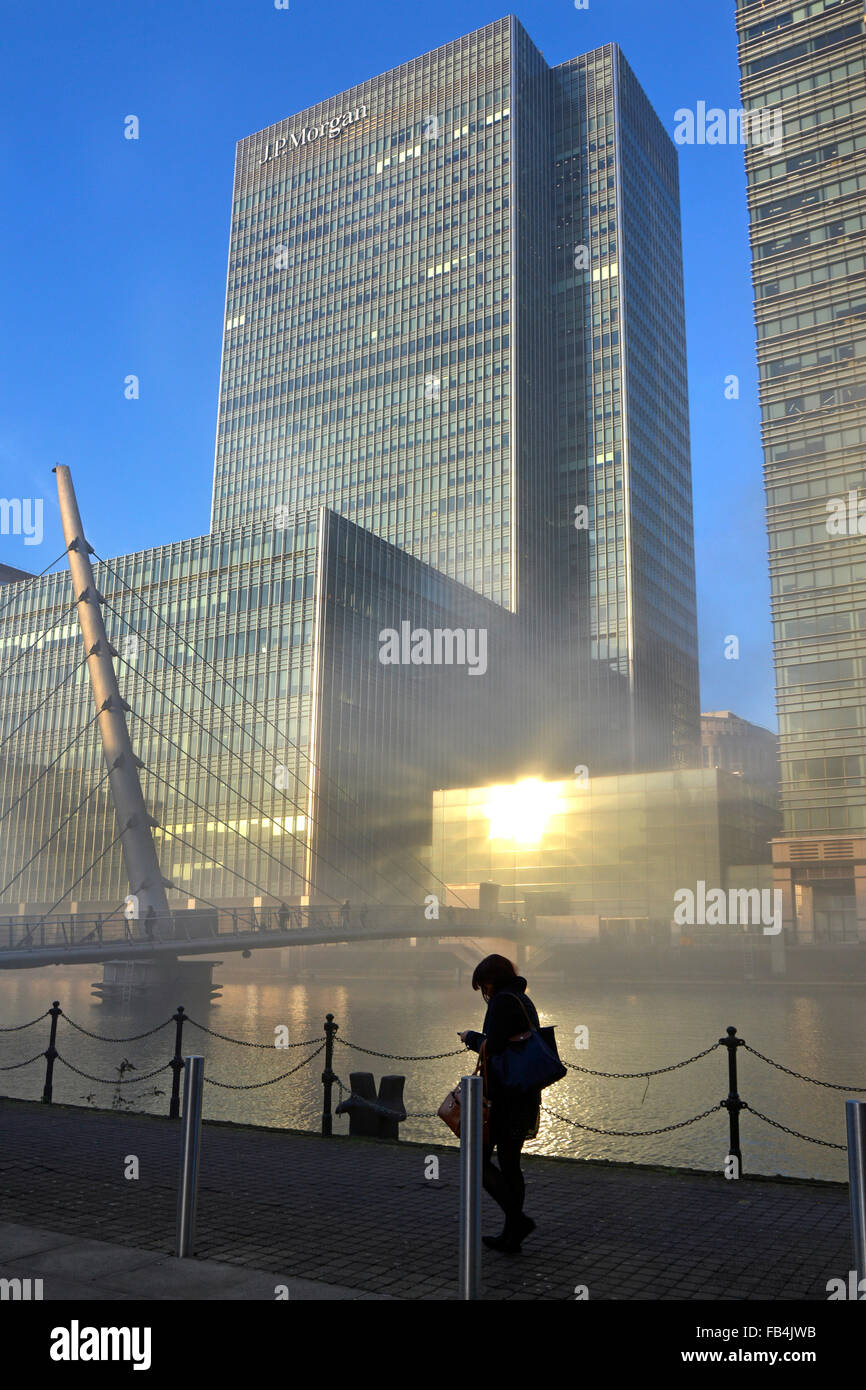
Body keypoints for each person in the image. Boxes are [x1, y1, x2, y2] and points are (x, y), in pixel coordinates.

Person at [459, 954, 541, 1254]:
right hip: (524, 1091)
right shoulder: (522, 999)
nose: (484, 992)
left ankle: (517, 1222)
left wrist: (470, 1037)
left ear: (492, 981)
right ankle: (511, 1235)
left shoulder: (501, 1002)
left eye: (484, 985)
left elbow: (492, 1046)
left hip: (503, 1097)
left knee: (476, 1162)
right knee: (510, 1164)